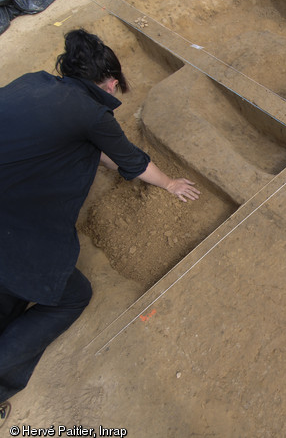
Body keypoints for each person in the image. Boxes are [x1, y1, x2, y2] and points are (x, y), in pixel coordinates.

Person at [0, 29, 200, 424]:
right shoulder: (90, 112)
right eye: (116, 85)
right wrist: (170, 183)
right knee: (70, 295)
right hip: (13, 232)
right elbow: (131, 159)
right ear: (109, 82)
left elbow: (90, 146)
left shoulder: (32, 83)